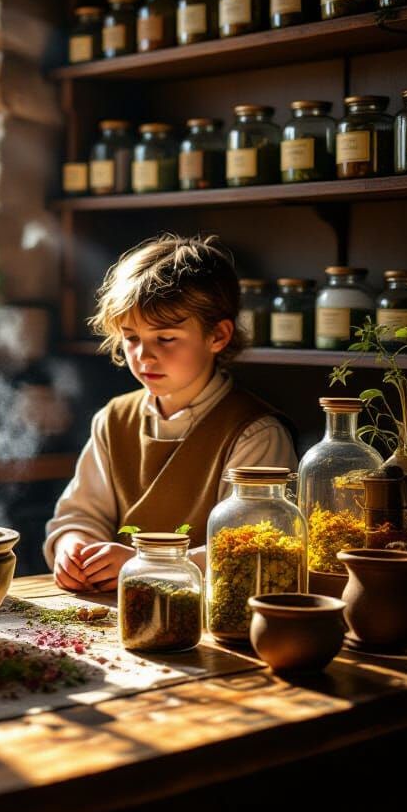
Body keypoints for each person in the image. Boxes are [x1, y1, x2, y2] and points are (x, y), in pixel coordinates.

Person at [44, 234, 296, 593]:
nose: (144, 356)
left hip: (207, 620)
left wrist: (140, 567)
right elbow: (80, 514)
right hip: (116, 612)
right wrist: (74, 547)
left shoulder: (255, 433)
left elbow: (250, 550)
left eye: (165, 339)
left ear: (218, 336)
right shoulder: (113, 420)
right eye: (131, 338)